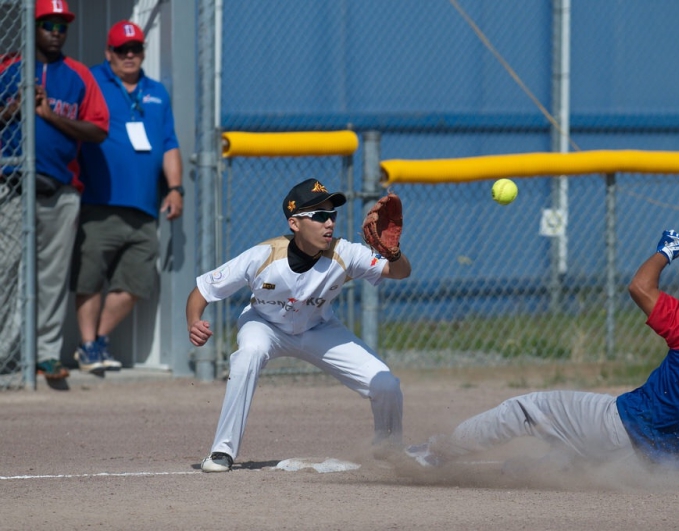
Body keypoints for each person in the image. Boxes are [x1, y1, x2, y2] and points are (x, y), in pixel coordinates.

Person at [405, 230, 679, 473]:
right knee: (553, 467)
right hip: (661, 469)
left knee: (524, 410)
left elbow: (640, 287)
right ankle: (535, 473)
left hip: (622, 427)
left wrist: (667, 250)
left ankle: (435, 454)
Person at [186, 178, 412, 472]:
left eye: (332, 215)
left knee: (386, 383)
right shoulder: (263, 256)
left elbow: (399, 273)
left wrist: (393, 253)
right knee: (248, 354)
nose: (329, 223)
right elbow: (202, 290)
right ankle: (222, 451)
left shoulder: (345, 253)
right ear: (294, 223)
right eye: (319, 216)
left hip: (319, 329)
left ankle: (388, 449)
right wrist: (194, 321)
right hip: (265, 326)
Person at [0, 0, 109, 381]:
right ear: (33, 27)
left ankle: (46, 354)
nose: (56, 32)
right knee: (4, 270)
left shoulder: (77, 74)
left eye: (62, 26)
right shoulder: (8, 67)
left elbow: (98, 129)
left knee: (51, 277)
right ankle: (3, 356)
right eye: (48, 24)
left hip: (59, 190)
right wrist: (11, 110)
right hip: (11, 187)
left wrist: (51, 116)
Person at [70, 20, 183, 375]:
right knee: (89, 278)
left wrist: (176, 188)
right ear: (109, 53)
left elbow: (169, 144)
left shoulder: (157, 92)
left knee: (135, 283)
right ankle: (88, 347)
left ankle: (97, 341)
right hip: (99, 201)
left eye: (135, 49)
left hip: (144, 206)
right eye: (122, 50)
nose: (130, 55)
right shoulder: (90, 81)